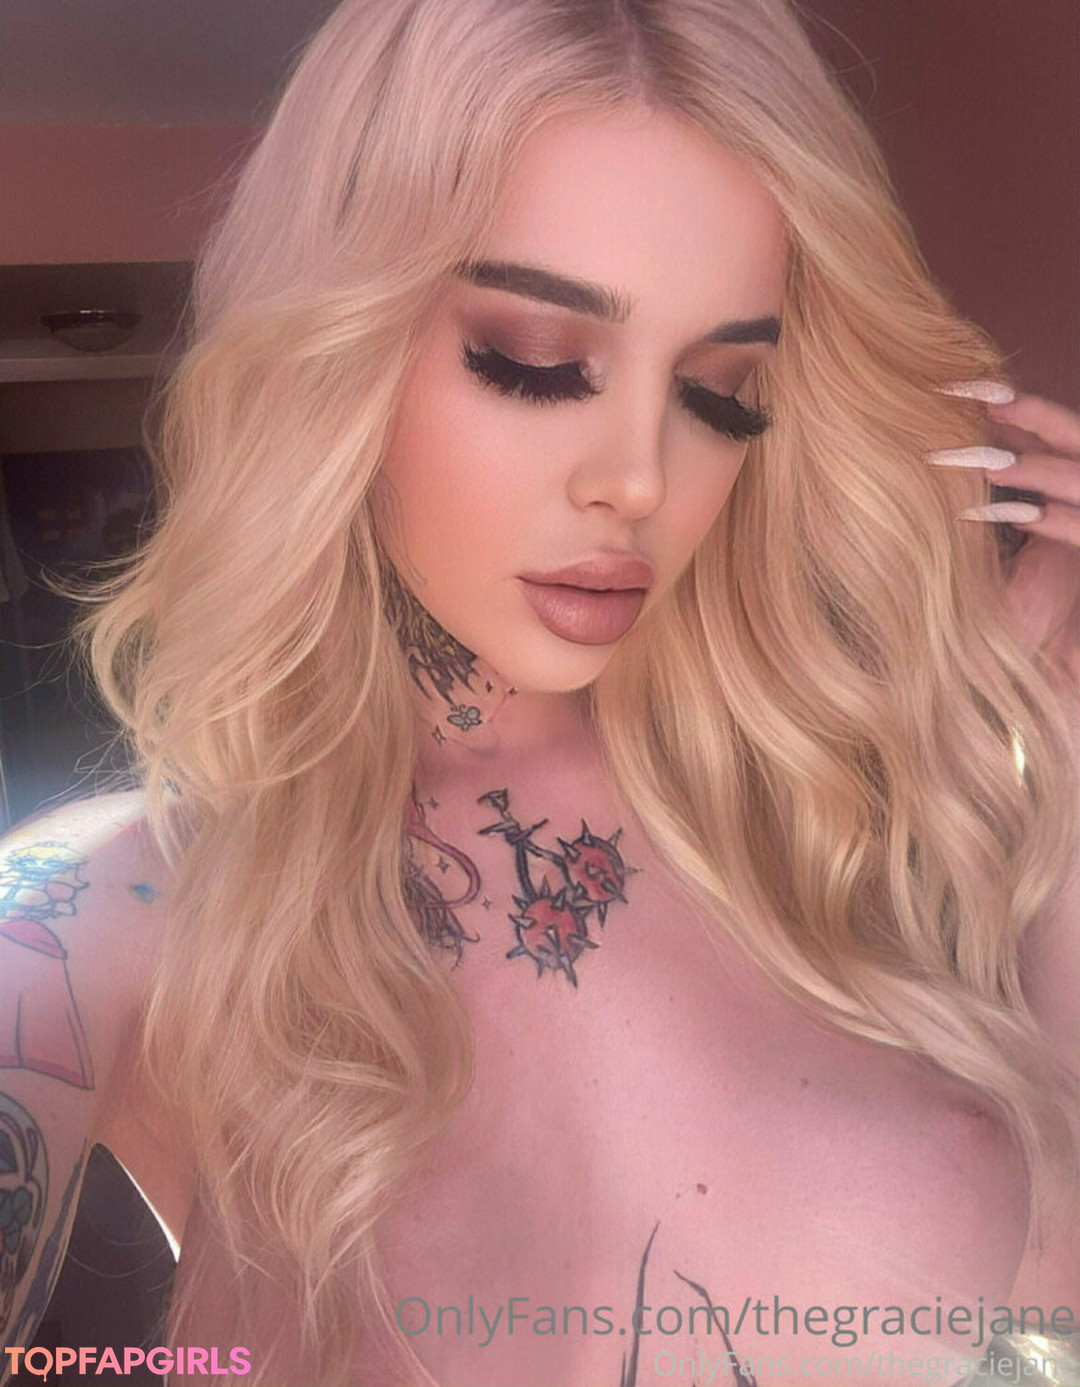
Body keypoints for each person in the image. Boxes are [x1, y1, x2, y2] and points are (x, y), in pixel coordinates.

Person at [1, 2, 1078, 1384]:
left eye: (721, 392)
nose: (638, 478)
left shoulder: (854, 814)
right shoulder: (115, 915)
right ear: (340, 351)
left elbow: (1048, 1305)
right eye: (535, 361)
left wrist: (1055, 727)